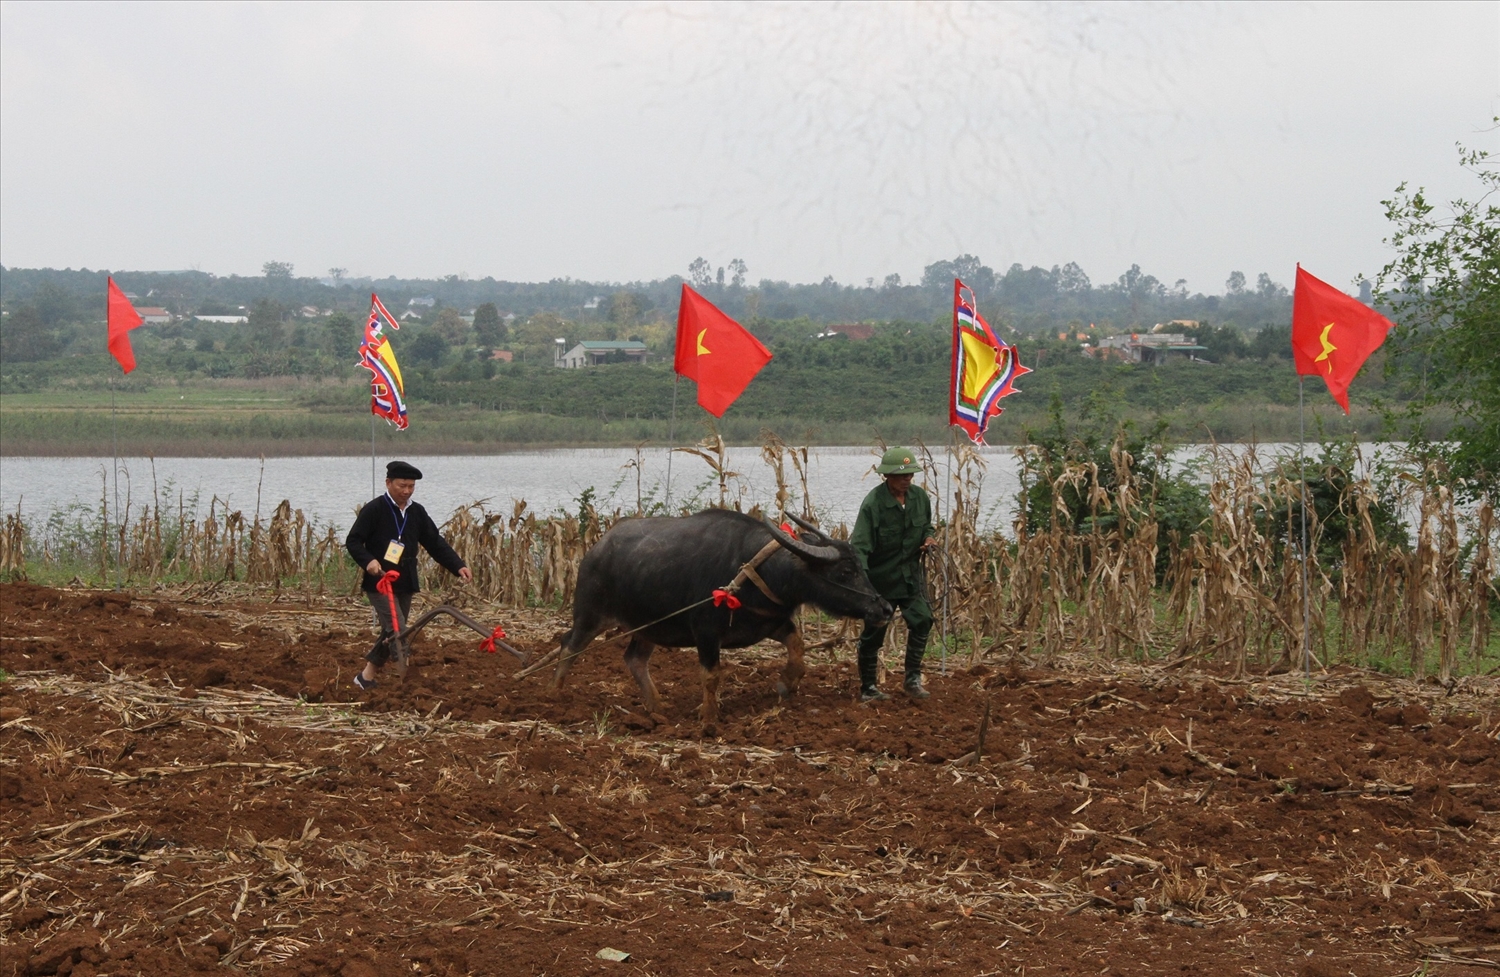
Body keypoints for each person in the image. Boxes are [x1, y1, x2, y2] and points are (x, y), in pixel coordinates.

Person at [345, 460, 472, 690]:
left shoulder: (417, 512)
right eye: (402, 486)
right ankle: (408, 680)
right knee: (398, 630)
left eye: (411, 487)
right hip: (380, 582)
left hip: (405, 581)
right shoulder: (374, 509)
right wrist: (369, 561)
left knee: (392, 630)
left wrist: (457, 566)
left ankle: (365, 677)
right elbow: (353, 541)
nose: (406, 491)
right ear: (388, 483)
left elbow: (435, 542)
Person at [849, 446, 938, 702]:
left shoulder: (920, 498)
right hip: (881, 582)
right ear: (886, 476)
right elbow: (860, 547)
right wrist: (863, 586)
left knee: (922, 619)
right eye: (901, 475)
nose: (907, 479)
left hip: (910, 577)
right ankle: (868, 687)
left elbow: (927, 526)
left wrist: (929, 538)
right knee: (874, 633)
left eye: (910, 474)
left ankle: (912, 679)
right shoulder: (873, 504)